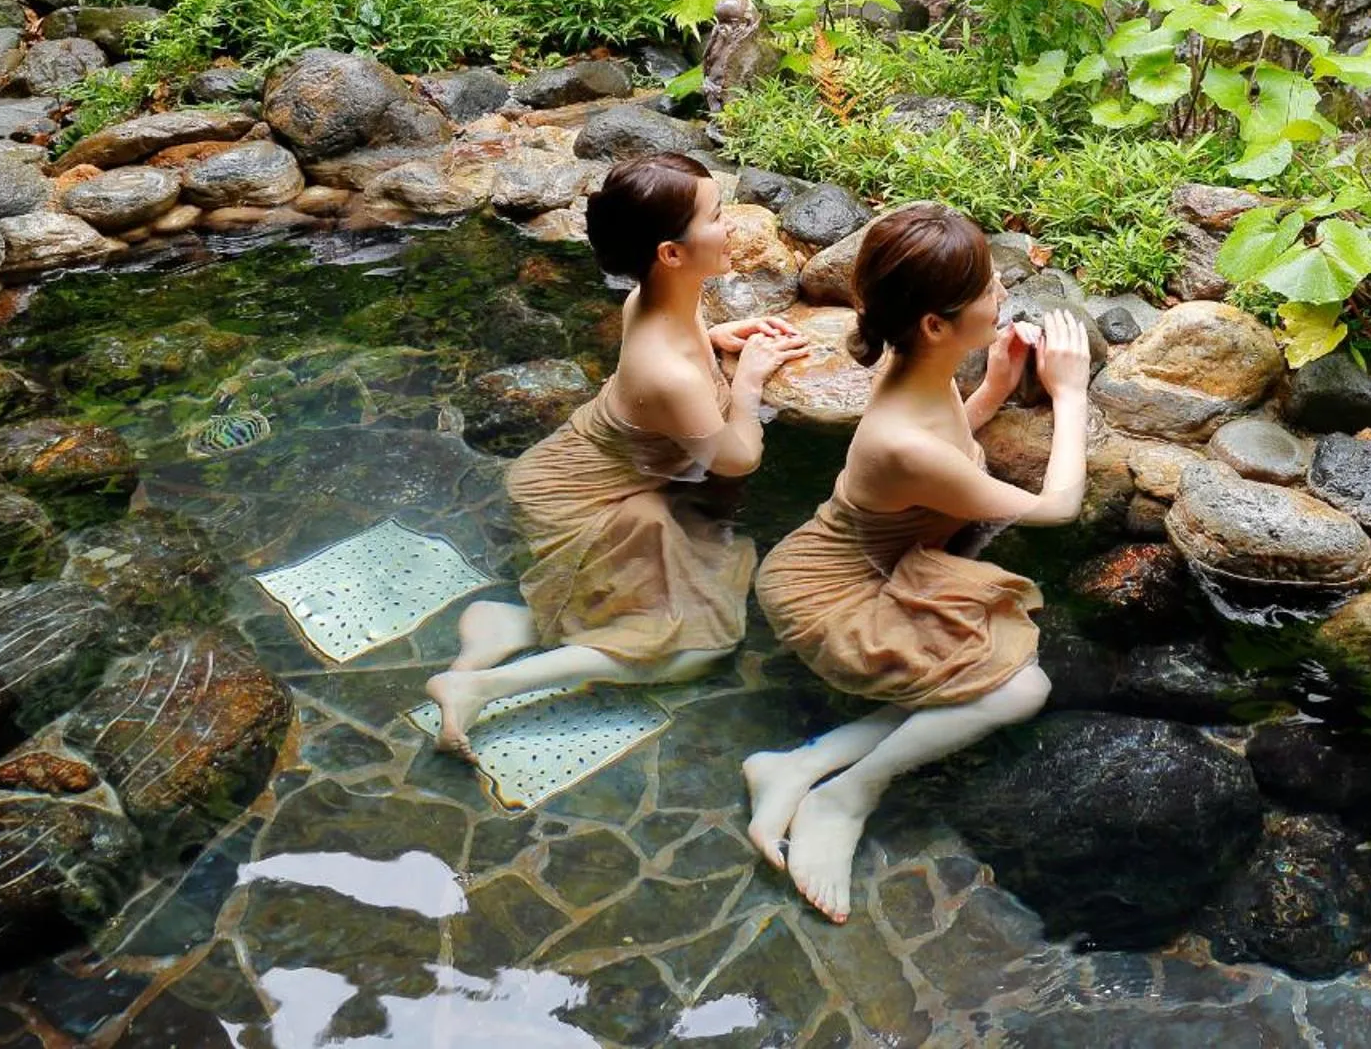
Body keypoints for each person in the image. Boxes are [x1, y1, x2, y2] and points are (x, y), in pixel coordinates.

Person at [744, 201, 1090, 923]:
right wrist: (1071, 394)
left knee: (966, 668)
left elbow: (943, 441)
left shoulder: (910, 357)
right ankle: (849, 794)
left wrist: (992, 387)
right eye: (990, 289)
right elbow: (1055, 507)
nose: (1004, 296)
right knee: (1019, 689)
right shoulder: (902, 440)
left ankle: (803, 763)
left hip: (868, 559)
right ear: (934, 323)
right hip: (838, 593)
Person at [426, 152, 808, 754]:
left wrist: (713, 341)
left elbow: (666, 364)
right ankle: (485, 685)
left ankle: (516, 625)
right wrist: (751, 377)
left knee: (684, 590)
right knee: (699, 647)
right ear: (671, 253)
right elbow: (736, 458)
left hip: (584, 472)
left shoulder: (658, 297)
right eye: (715, 216)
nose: (730, 224)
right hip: (580, 501)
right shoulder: (669, 370)